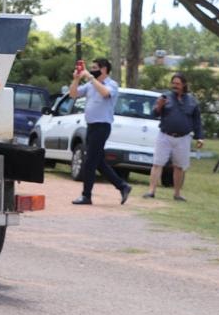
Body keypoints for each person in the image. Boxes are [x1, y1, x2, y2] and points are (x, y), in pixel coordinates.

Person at [69, 57, 131, 205]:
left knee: (90, 161)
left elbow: (105, 93)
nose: (91, 70)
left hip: (102, 126)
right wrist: (76, 79)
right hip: (91, 126)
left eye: (94, 68)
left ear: (103, 69)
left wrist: (90, 77)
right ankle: (123, 186)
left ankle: (86, 195)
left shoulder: (112, 84)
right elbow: (73, 94)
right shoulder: (90, 85)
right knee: (98, 162)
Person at [145, 73, 203, 201]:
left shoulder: (192, 101)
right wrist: (159, 105)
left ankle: (177, 194)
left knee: (179, 166)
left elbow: (197, 120)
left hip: (183, 138)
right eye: (173, 83)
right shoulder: (165, 97)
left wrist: (199, 137)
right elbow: (154, 114)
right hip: (165, 136)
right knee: (157, 163)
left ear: (184, 85)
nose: (175, 86)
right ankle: (151, 191)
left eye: (177, 84)